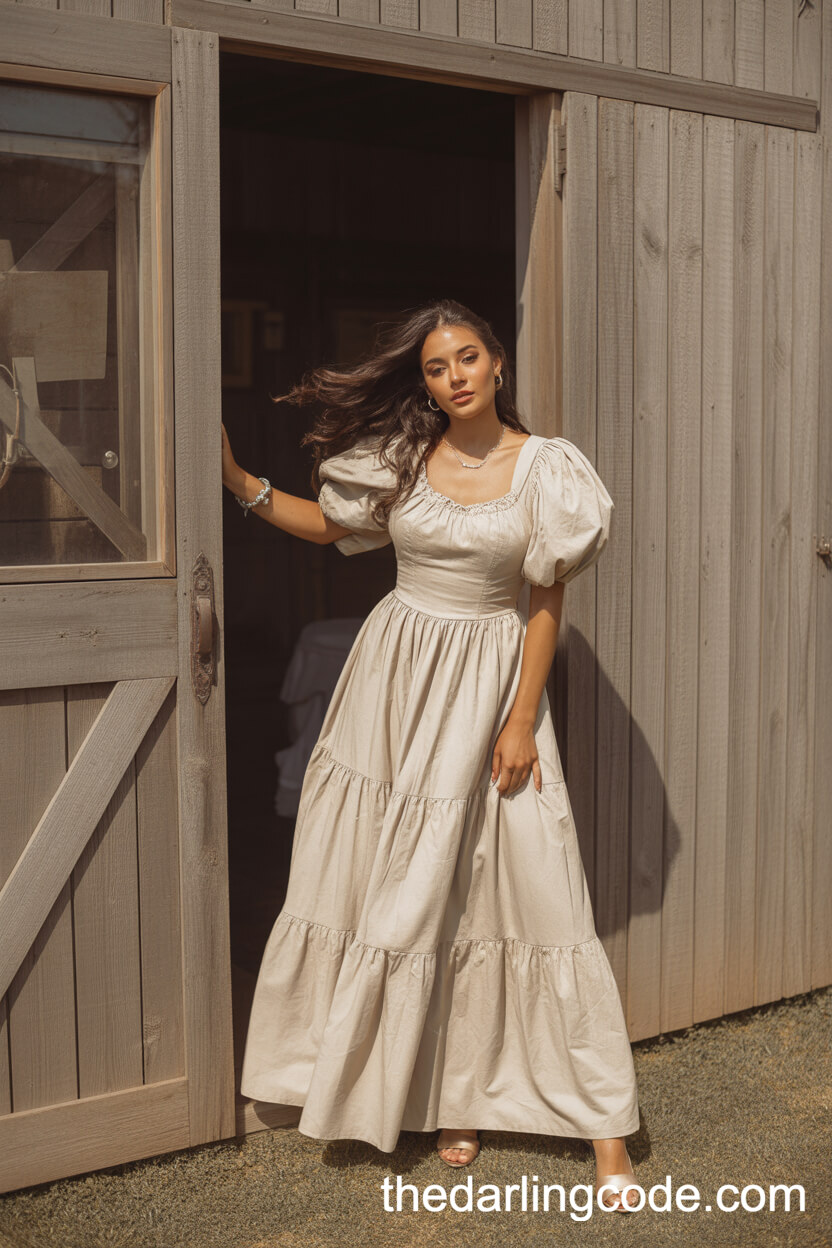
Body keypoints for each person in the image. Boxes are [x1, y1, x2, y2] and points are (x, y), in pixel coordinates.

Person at [222, 299, 642, 1213]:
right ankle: (450, 1095)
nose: (452, 376)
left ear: (497, 363)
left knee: (522, 881)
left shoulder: (547, 469)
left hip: (489, 680)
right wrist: (241, 481)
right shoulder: (404, 459)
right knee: (395, 880)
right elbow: (334, 530)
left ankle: (605, 1124)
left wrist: (523, 716)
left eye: (466, 358)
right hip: (392, 679)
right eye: (434, 367)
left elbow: (543, 600)